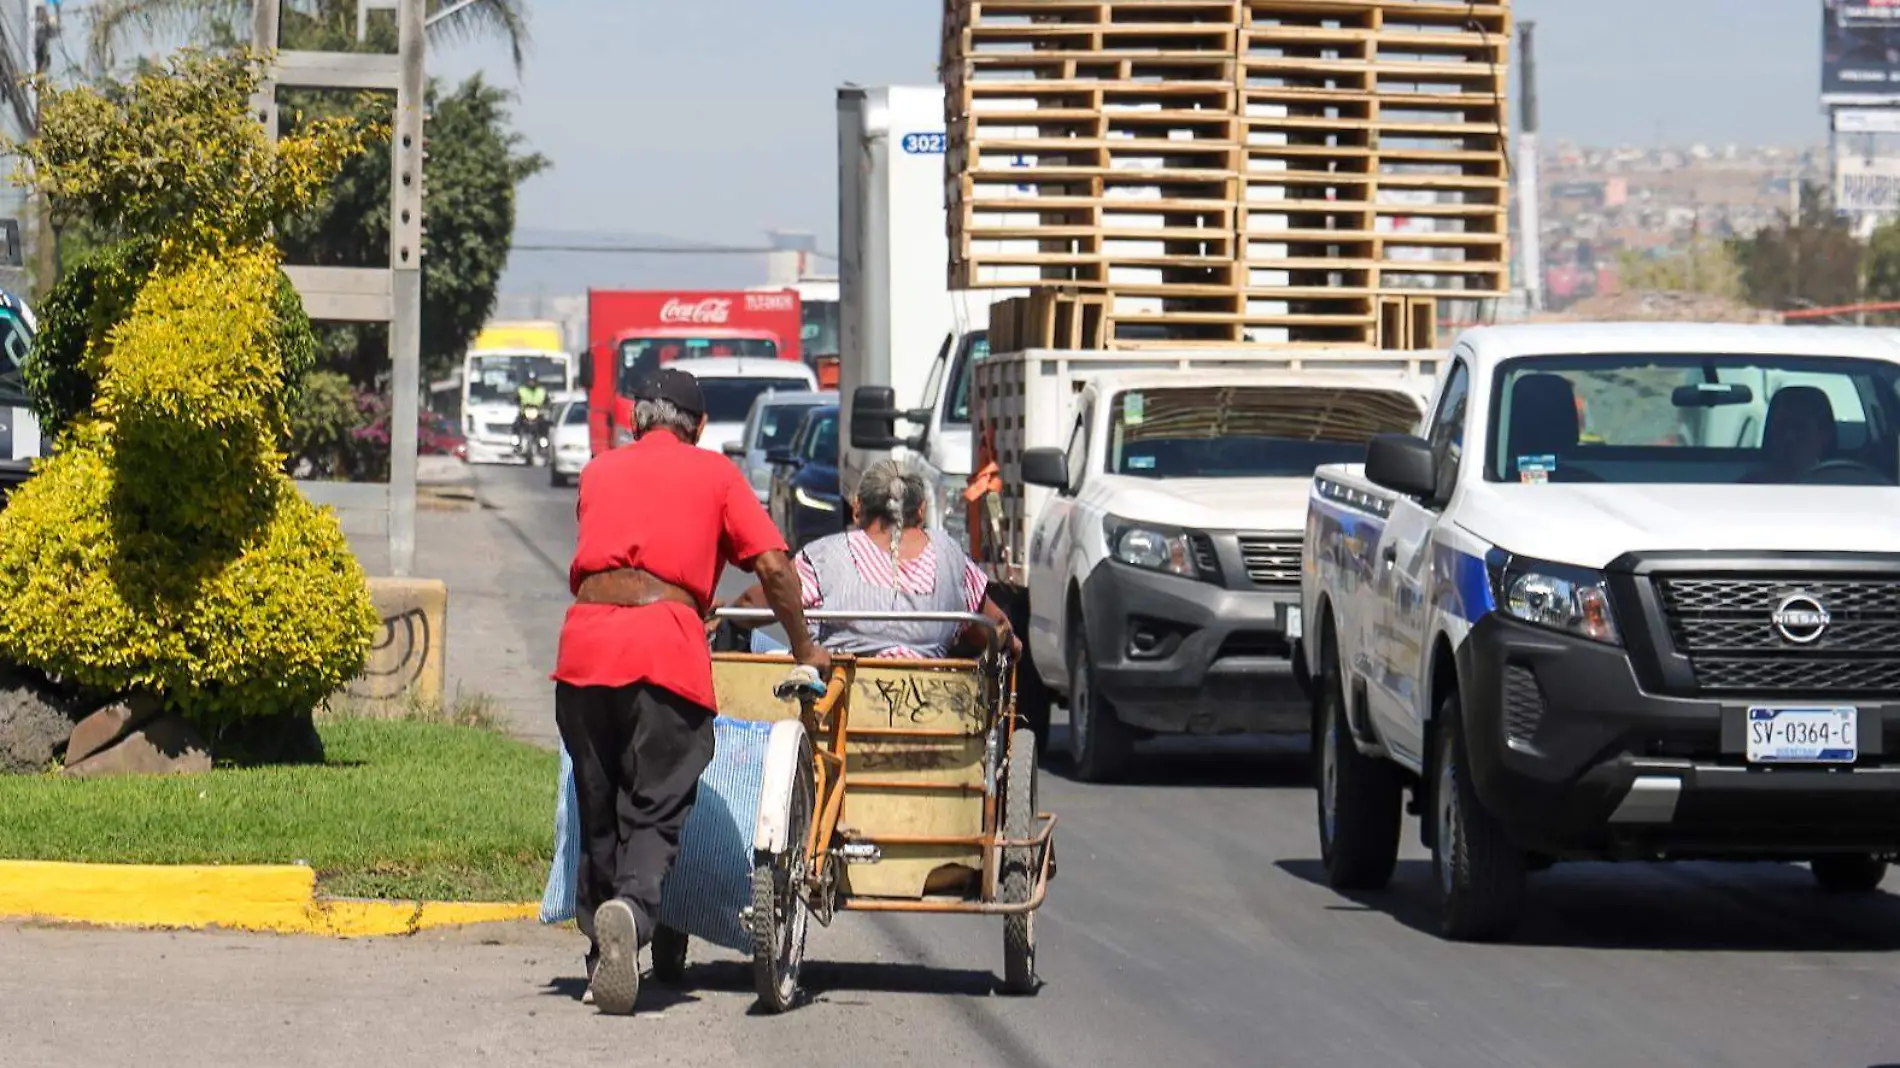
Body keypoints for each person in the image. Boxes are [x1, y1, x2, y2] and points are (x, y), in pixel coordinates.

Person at [553, 366, 828, 1016]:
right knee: (656, 802)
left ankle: (602, 960)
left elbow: (619, 554)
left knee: (598, 803)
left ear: (634, 419)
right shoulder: (716, 474)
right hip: (663, 648)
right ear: (699, 427)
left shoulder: (598, 471)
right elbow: (772, 567)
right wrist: (803, 646)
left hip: (585, 646)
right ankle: (634, 911)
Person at [720, 458, 1020, 661]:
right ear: (920, 511)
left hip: (841, 705)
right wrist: (1010, 642)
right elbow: (992, 625)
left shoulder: (825, 556)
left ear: (857, 508)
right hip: (931, 700)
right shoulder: (949, 553)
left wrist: (722, 615)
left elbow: (753, 605)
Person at [1741, 386, 1836, 484]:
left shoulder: (1843, 485)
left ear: (1824, 435)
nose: (1788, 437)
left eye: (1799, 428)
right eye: (1780, 427)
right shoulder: (1749, 488)